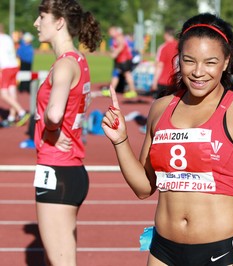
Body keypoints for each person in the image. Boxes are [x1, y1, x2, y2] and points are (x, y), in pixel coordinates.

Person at [102, 13, 233, 265]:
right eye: (189, 61)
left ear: (226, 61)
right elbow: (143, 188)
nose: (198, 72)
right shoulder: (160, 109)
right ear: (178, 59)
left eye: (210, 62)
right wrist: (120, 141)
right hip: (163, 251)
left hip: (218, 252)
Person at [32, 0, 101, 265]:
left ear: (59, 21)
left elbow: (54, 113)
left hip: (56, 169)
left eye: (42, 16)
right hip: (69, 171)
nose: (37, 23)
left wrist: (52, 128)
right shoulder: (79, 62)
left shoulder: (63, 65)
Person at [0, 23, 30, 127]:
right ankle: (12, 117)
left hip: (6, 68)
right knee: (12, 91)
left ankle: (21, 112)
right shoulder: (8, 38)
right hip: (14, 66)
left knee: (3, 94)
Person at [108, 26, 138, 99]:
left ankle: (133, 91)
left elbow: (122, 45)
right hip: (119, 60)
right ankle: (111, 91)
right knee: (115, 74)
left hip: (124, 59)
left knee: (127, 74)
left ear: (114, 31)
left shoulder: (119, 36)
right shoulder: (113, 39)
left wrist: (115, 53)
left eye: (110, 32)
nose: (109, 34)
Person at [150, 26, 178, 99]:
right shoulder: (180, 46)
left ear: (166, 34)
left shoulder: (163, 47)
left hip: (164, 81)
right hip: (175, 81)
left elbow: (160, 65)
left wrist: (154, 82)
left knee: (159, 106)